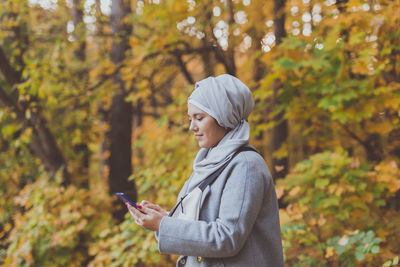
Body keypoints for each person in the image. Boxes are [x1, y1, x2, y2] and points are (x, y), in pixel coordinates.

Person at [128, 74, 284, 266]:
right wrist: (166, 218)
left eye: (199, 118)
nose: (192, 127)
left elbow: (227, 237)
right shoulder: (209, 162)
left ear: (223, 117)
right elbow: (205, 221)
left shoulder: (245, 164)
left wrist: (163, 225)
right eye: (190, 119)